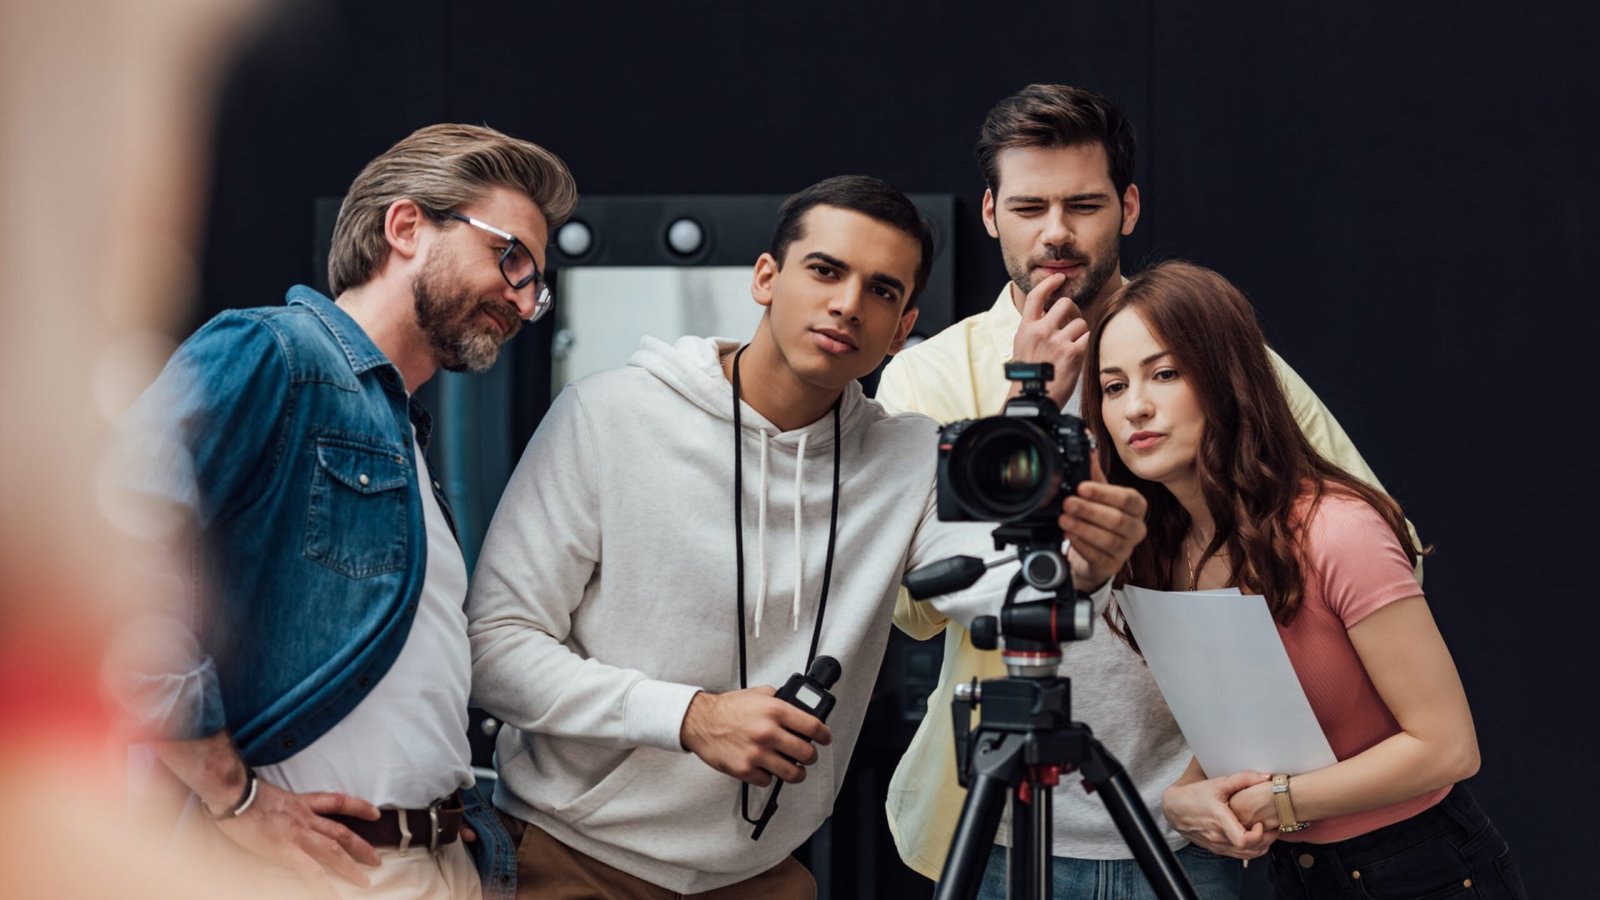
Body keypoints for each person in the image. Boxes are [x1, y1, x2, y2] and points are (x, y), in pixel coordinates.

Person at [465, 175, 1150, 899]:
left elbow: (999, 587)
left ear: (901, 325)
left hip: (762, 873)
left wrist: (1084, 559)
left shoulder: (912, 458)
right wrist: (690, 717)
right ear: (767, 277)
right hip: (573, 857)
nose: (848, 304)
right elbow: (494, 648)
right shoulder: (607, 417)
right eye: (825, 271)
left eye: (882, 292)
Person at [878, 83, 1416, 898]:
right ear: (990, 214)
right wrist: (1029, 401)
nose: (1056, 233)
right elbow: (911, 606)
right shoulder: (931, 374)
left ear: (1128, 208)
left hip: (1205, 823)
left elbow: (1381, 543)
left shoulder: (1219, 356)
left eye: (1084, 204)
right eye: (1029, 207)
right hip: (996, 821)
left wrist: (1280, 765)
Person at [113, 123, 577, 899]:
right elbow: (103, 565)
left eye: (536, 282)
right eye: (511, 257)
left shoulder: (401, 434)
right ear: (405, 227)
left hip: (437, 857)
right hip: (313, 870)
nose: (523, 301)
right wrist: (234, 795)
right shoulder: (277, 353)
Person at [1082, 259, 1526, 899]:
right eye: (1114, 386)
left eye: (1166, 373)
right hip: (1300, 876)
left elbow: (1448, 747)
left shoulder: (1335, 529)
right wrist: (1185, 797)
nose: (1136, 407)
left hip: (1424, 871)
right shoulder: (1160, 551)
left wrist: (1277, 803)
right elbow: (1242, 721)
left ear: (1225, 378)